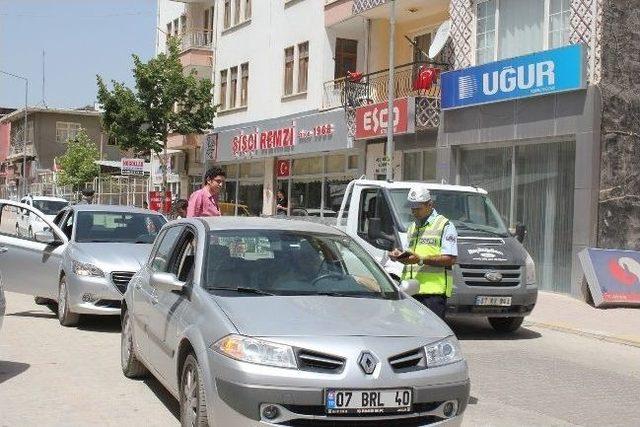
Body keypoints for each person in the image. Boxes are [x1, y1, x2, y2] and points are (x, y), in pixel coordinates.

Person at [388, 184, 458, 319]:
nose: (414, 212)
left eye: (418, 208)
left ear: (430, 205)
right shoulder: (413, 227)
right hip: (410, 290)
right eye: (412, 208)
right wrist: (399, 256)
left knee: (431, 335)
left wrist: (420, 259)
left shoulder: (445, 225)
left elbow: (450, 259)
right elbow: (411, 256)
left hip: (432, 294)